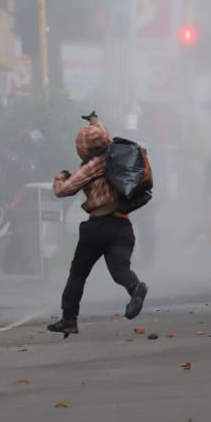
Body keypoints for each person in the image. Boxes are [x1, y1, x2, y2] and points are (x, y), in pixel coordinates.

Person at [47, 114, 149, 336]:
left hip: (98, 228)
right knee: (120, 269)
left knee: (78, 273)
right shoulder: (114, 151)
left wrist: (59, 177)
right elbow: (103, 134)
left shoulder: (92, 165)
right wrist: (95, 121)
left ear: (83, 149)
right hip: (122, 226)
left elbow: (63, 191)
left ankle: (68, 319)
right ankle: (135, 288)